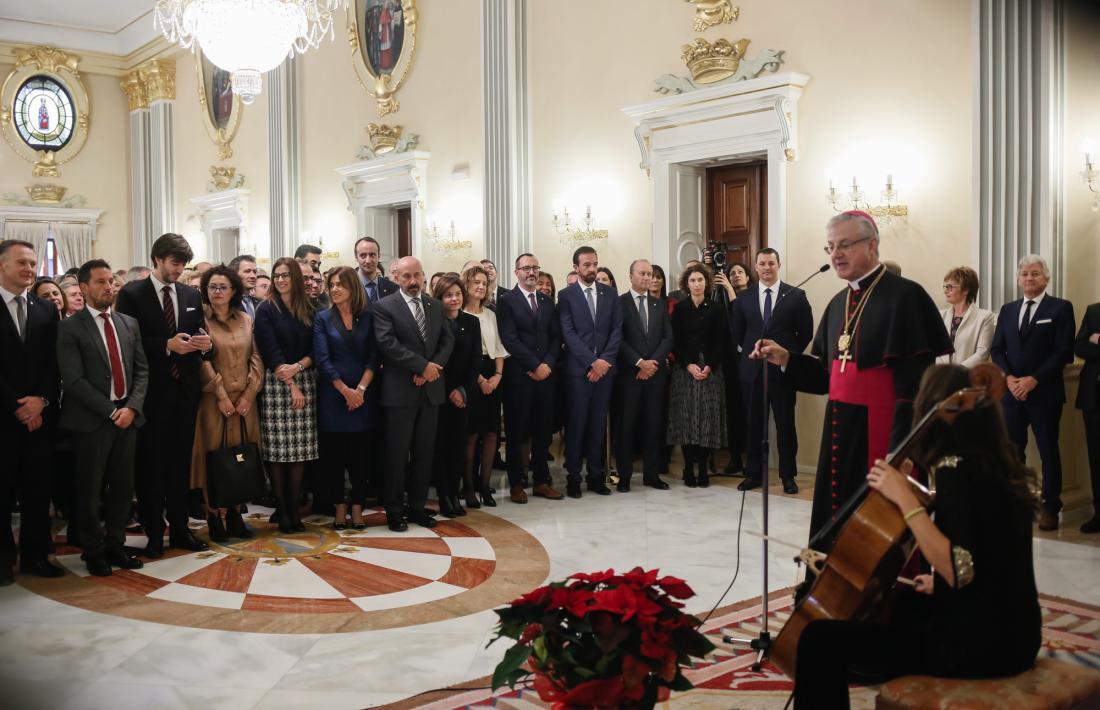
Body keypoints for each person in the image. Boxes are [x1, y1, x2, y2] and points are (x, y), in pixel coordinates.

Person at [793, 364, 1041, 709]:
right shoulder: (1000, 464)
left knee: (818, 639)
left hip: (978, 647)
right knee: (897, 605)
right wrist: (937, 583)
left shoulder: (954, 469)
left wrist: (906, 499)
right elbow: (991, 557)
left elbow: (958, 568)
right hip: (1018, 635)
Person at [753, 211, 952, 545]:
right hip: (840, 431)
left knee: (878, 537)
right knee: (837, 526)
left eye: (844, 245)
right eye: (830, 247)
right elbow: (828, 377)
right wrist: (786, 359)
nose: (835, 254)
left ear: (872, 245)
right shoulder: (838, 303)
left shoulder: (906, 297)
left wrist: (900, 451)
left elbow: (913, 388)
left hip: (884, 433)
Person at [115, 233, 213, 557]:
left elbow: (198, 330)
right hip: (151, 394)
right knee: (151, 466)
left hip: (185, 393)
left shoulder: (188, 292)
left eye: (183, 264)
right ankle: (154, 532)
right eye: (174, 263)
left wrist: (204, 344)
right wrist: (165, 346)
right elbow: (125, 344)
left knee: (179, 465)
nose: (179, 270)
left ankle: (181, 529)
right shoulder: (132, 294)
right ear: (157, 258)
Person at [58, 259, 149, 576]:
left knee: (123, 488)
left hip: (128, 417)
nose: (109, 287)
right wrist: (111, 410)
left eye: (111, 281)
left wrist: (131, 407)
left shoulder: (128, 323)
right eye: (101, 282)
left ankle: (116, 544)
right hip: (93, 419)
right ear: (84, 288)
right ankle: (93, 551)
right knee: (90, 489)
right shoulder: (70, 327)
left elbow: (141, 371)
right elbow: (74, 381)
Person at [991, 255, 1074, 531]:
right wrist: (1011, 378)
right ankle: (1017, 502)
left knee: (1048, 450)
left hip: (1044, 393)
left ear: (1046, 278)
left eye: (1035, 274)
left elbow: (1063, 352)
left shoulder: (1060, 308)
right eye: (1024, 274)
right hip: (1011, 393)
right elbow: (996, 350)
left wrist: (1034, 380)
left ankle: (1051, 506)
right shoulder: (1008, 310)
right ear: (1018, 279)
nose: (1029, 278)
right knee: (1013, 451)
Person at [372, 256, 454, 531]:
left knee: (424, 452)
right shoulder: (384, 307)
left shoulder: (434, 305)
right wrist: (421, 366)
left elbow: (447, 340)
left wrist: (433, 369)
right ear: (397, 278)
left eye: (417, 275)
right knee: (397, 455)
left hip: (431, 392)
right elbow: (387, 343)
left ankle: (418, 507)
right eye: (406, 276)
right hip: (400, 393)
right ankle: (394, 511)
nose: (413, 281)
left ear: (423, 275)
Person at [0, 241, 63, 583]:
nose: (28, 268)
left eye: (32, 263)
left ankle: (36, 557)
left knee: (38, 491)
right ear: (1, 266)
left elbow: (55, 362)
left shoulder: (44, 309)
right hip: (3, 417)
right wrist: (17, 405)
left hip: (41, 416)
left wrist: (41, 399)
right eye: (21, 262)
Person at [729, 248, 813, 494]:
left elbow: (805, 332)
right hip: (752, 370)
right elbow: (737, 333)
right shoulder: (743, 299)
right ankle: (753, 473)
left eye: (771, 263)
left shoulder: (796, 295)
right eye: (762, 264)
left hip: (784, 371)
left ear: (779, 265)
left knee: (786, 425)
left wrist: (785, 353)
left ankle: (788, 476)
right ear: (755, 267)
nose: (767, 268)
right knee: (754, 425)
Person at [188, 266, 263, 542]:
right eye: (212, 287)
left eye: (223, 287)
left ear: (234, 291)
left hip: (244, 401)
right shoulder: (200, 319)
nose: (217, 292)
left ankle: (234, 513)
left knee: (240, 456)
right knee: (214, 458)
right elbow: (201, 360)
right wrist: (220, 395)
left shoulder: (244, 318)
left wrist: (249, 394)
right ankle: (213, 515)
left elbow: (256, 357)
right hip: (213, 401)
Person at [253, 257, 317, 533]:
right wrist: (290, 382)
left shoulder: (308, 307)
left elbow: (317, 347)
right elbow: (269, 348)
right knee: (278, 453)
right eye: (276, 275)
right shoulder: (266, 309)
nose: (280, 280)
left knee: (300, 451)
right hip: (277, 383)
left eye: (285, 275)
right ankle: (284, 510)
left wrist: (300, 367)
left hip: (305, 377)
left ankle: (295, 510)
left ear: (295, 278)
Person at [314, 266, 379, 530]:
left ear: (353, 287)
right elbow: (322, 359)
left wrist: (360, 391)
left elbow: (375, 356)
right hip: (333, 396)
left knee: (361, 457)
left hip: (363, 397)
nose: (335, 289)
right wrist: (345, 391)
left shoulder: (368, 317)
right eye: (331, 285)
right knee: (335, 458)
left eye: (341, 284)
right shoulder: (323, 318)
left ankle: (357, 507)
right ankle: (339, 508)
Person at [498, 253, 563, 503]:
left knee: (543, 432)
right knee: (517, 432)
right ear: (516, 272)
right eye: (526, 268)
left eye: (535, 267)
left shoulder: (547, 302)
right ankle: (516, 484)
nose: (531, 272)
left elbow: (556, 338)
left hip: (545, 376)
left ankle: (541, 481)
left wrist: (546, 364)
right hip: (519, 377)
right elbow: (509, 338)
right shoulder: (507, 301)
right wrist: (534, 365)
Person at [558, 246, 622, 498]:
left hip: (604, 372)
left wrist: (603, 361)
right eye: (586, 265)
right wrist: (591, 362)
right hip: (578, 373)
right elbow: (568, 333)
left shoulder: (610, 294)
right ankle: (574, 478)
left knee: (598, 425)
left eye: (594, 264)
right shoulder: (566, 295)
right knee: (577, 425)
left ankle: (596, 476)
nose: (592, 269)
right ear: (576, 267)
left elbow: (616, 331)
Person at [613, 259, 673, 491]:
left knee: (653, 425)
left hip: (655, 376)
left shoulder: (659, 305)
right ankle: (625, 476)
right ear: (631, 276)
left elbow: (668, 338)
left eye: (650, 274)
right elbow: (618, 338)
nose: (647, 278)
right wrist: (639, 363)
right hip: (630, 376)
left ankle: (652, 475)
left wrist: (652, 364)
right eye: (642, 273)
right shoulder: (619, 303)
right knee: (626, 426)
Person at [667, 263, 728, 487]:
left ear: (707, 283)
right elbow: (675, 340)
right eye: (692, 280)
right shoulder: (680, 309)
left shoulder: (716, 309)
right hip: (685, 370)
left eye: (700, 280)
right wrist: (689, 365)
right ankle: (687, 469)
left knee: (706, 421)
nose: (696, 284)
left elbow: (721, 341)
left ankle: (703, 468)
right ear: (686, 284)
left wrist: (710, 365)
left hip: (711, 370)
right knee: (686, 420)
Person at [461, 266, 509, 505]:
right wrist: (480, 379)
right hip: (471, 376)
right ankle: (468, 488)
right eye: (475, 282)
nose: (481, 286)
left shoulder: (491, 314)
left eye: (484, 282)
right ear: (466, 285)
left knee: (491, 433)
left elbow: (499, 347)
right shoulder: (459, 314)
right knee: (471, 435)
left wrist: (498, 376)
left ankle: (485, 485)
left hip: (494, 373)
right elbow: (464, 355)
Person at [433, 273, 480, 517]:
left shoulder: (472, 322)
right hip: (438, 395)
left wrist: (462, 390)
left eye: (458, 294)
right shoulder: (434, 322)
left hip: (463, 396)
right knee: (441, 447)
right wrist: (448, 390)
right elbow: (435, 361)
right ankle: (443, 496)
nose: (454, 299)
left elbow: (475, 362)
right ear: (439, 298)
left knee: (459, 446)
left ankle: (454, 492)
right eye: (448, 295)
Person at [1074, 300, 1100, 534]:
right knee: (1096, 456)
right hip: (1094, 396)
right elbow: (1079, 346)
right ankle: (1099, 513)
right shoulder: (1094, 310)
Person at [937, 266, 995, 368]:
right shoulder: (940, 315)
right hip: (941, 377)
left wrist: (956, 373)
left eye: (950, 287)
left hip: (968, 378)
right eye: (945, 286)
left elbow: (982, 354)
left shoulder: (985, 317)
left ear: (965, 290)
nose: (945, 291)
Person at [354, 236, 398, 305]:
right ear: (356, 258)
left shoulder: (393, 289)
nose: (368, 261)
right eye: (363, 255)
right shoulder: (347, 288)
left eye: (372, 255)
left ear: (379, 256)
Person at [229, 254, 260, 320]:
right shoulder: (226, 303)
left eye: (254, 272)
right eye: (247, 271)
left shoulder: (261, 303)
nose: (253, 276)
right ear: (234, 274)